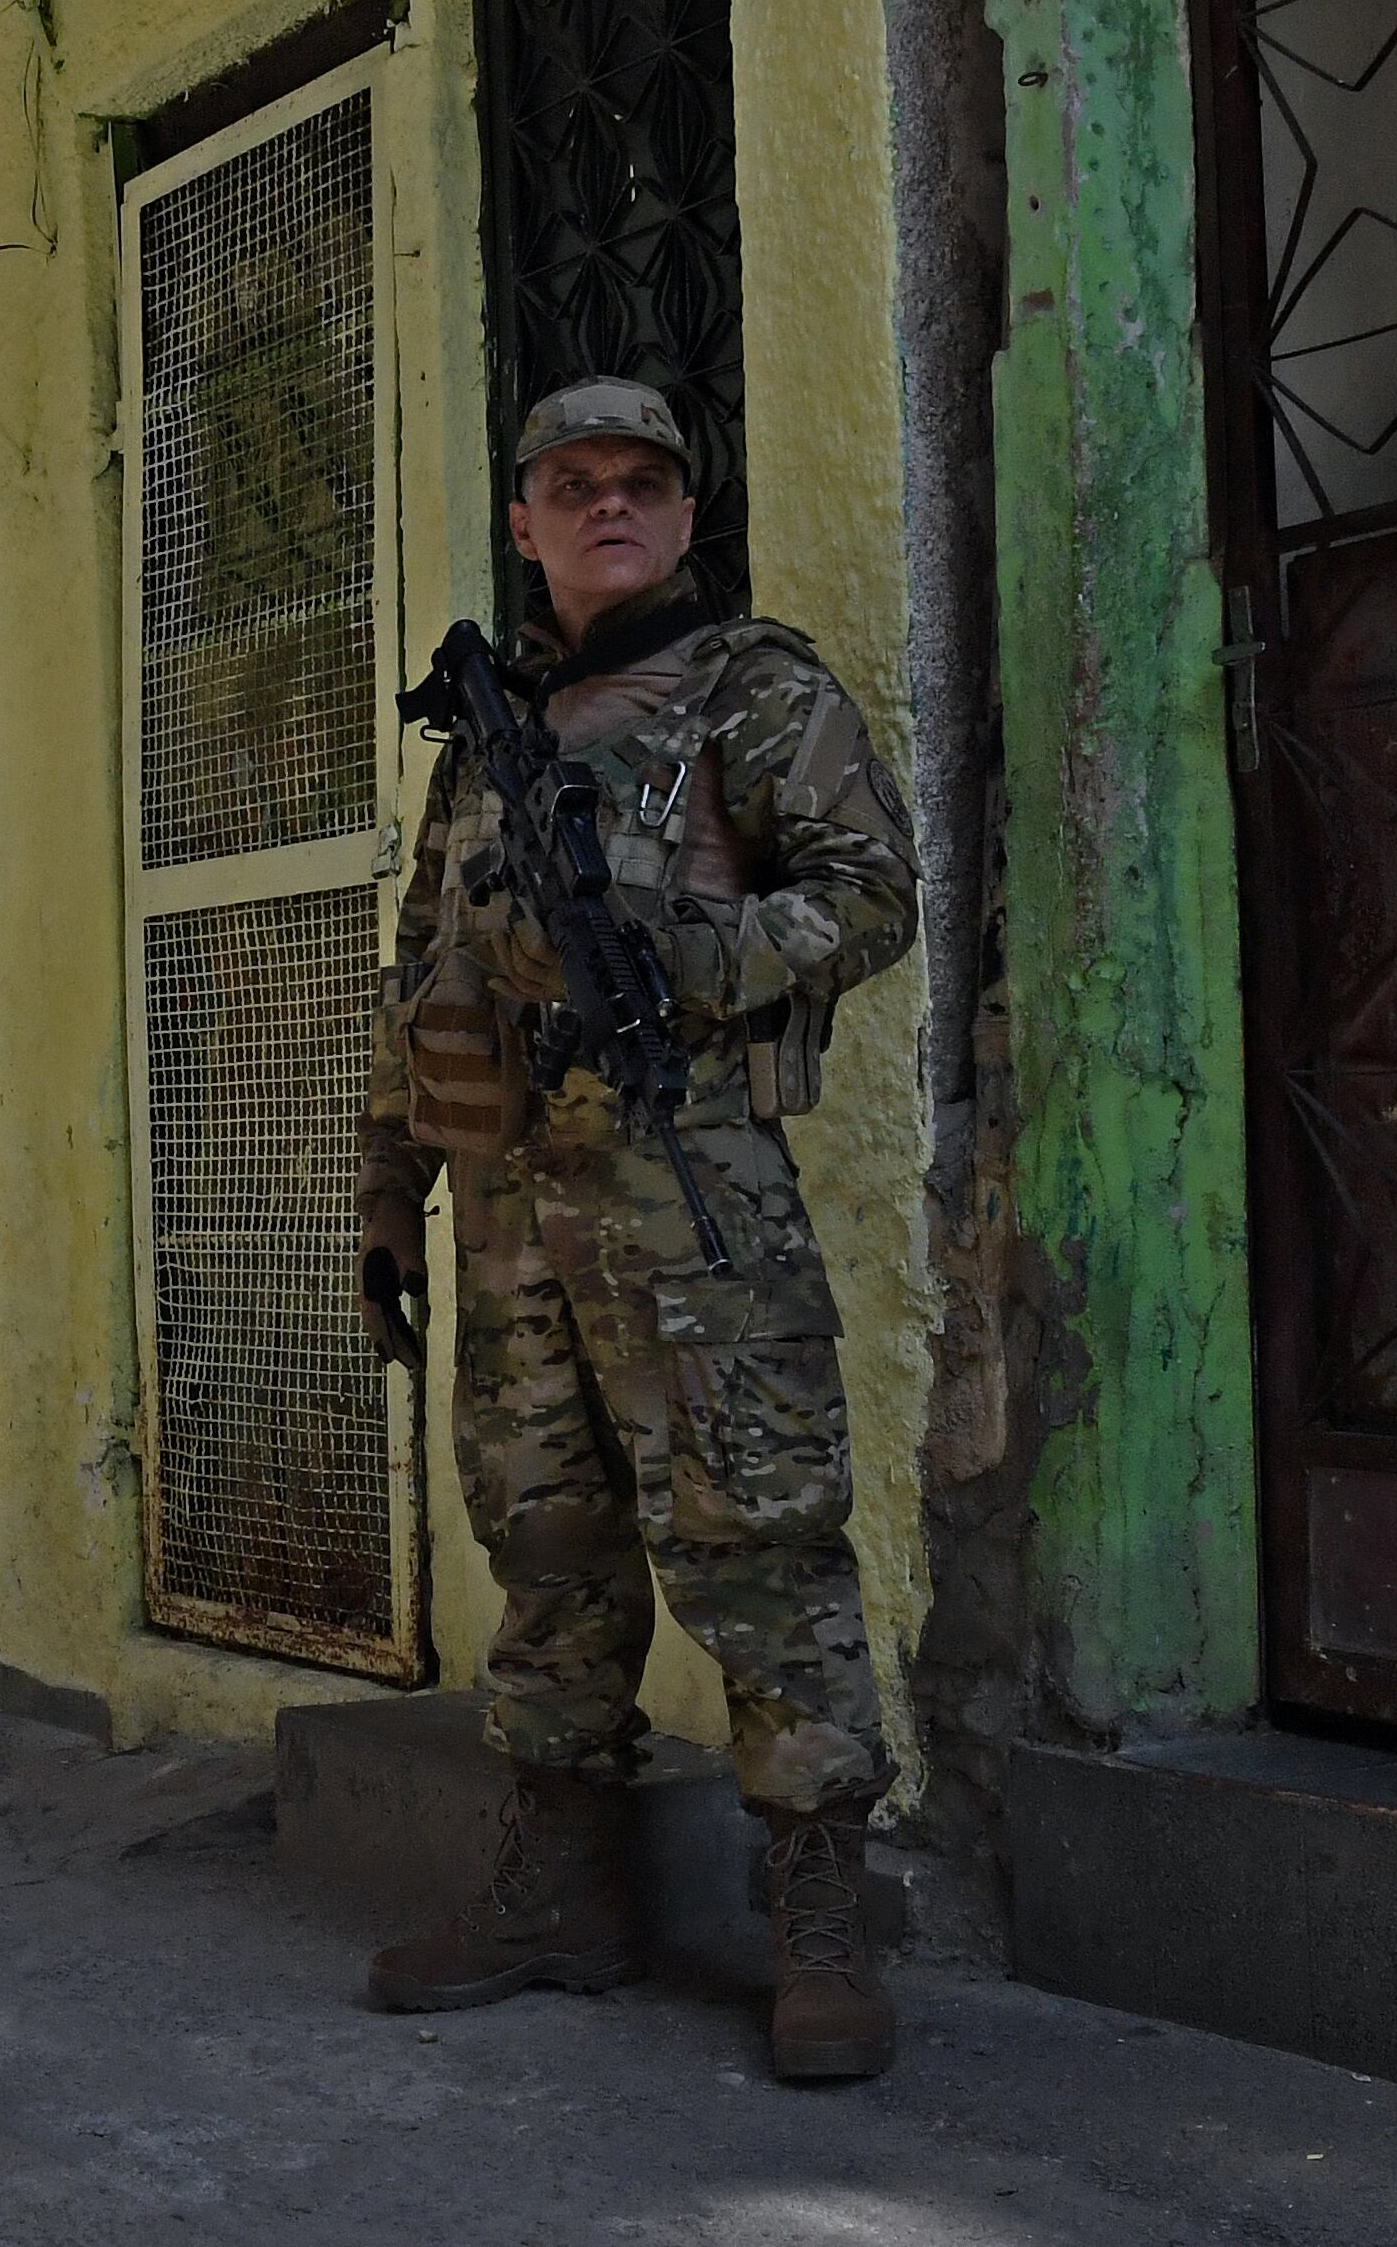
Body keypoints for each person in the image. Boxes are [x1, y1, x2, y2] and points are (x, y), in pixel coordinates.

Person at [357, 376, 919, 2081]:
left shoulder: (756, 689)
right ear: (525, 521)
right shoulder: (490, 737)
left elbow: (876, 889)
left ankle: (819, 1920)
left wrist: (696, 957)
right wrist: (388, 1182)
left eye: (643, 484)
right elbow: (421, 977)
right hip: (513, 1207)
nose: (610, 505)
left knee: (755, 1537)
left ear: (686, 515)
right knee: (545, 1547)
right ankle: (561, 1895)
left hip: (696, 1196)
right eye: (573, 482)